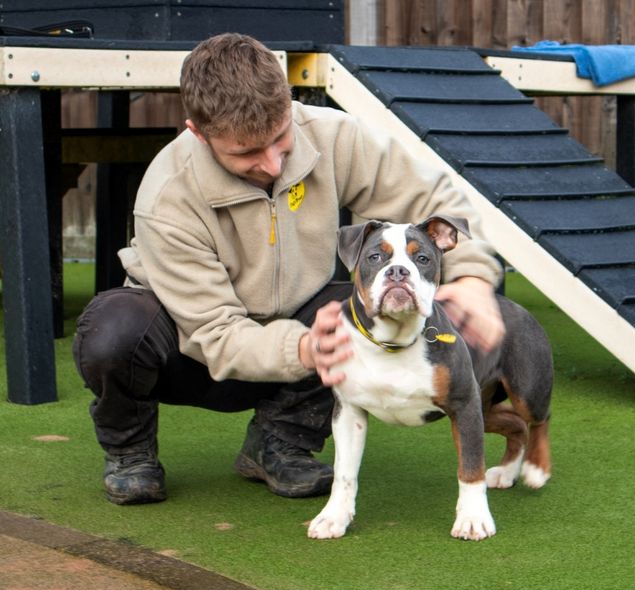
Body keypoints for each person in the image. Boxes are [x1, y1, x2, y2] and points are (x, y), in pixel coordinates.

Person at [72, 32, 505, 505]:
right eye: (246, 153)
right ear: (197, 132)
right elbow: (214, 333)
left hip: (301, 328)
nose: (274, 164)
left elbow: (436, 198)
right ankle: (131, 452)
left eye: (281, 139)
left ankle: (279, 441)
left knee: (353, 305)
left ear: (290, 102)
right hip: (191, 351)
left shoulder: (332, 135)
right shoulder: (167, 196)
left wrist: (472, 279)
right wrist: (303, 347)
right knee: (112, 331)